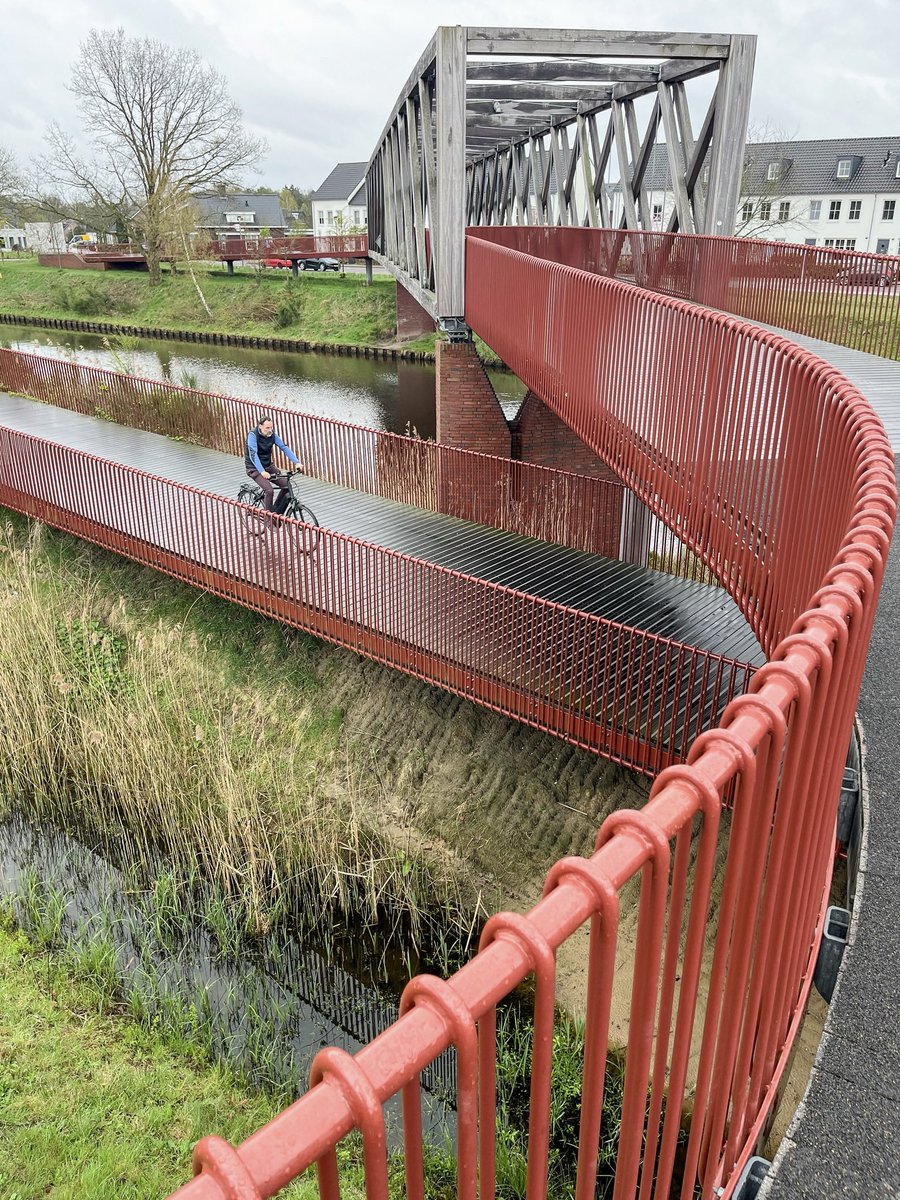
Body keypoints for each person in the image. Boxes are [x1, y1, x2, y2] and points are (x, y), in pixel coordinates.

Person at [245, 415, 302, 514]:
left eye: (271, 427)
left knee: (286, 485)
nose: (270, 430)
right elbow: (253, 454)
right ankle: (268, 518)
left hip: (267, 465)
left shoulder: (272, 435)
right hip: (254, 468)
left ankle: (275, 510)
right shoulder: (252, 435)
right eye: (267, 428)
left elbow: (284, 447)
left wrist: (296, 462)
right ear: (260, 426)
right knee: (269, 490)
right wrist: (262, 471)